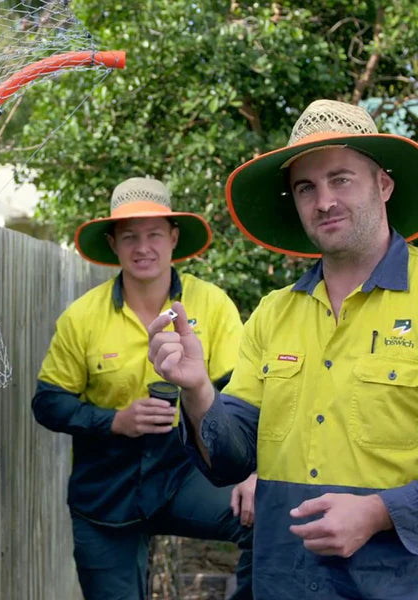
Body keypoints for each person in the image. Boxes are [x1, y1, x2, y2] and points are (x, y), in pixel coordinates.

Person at [148, 99, 418, 599]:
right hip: (284, 581)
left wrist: (381, 512)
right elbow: (231, 458)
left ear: (384, 184)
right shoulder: (272, 315)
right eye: (306, 187)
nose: (324, 201)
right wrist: (198, 391)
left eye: (341, 179)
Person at [32, 176, 254, 600]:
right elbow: (47, 403)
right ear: (113, 244)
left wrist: (255, 470)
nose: (143, 247)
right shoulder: (83, 316)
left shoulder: (213, 304)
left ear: (174, 238)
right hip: (105, 487)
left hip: (187, 470)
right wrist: (114, 420)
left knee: (267, 521)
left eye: (154, 234)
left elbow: (243, 396)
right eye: (129, 236)